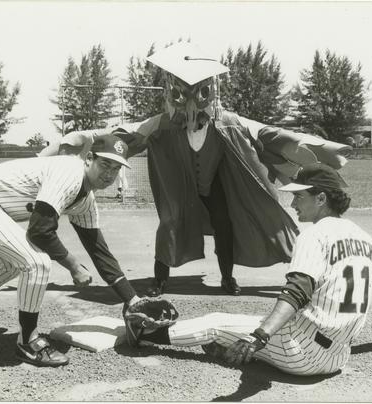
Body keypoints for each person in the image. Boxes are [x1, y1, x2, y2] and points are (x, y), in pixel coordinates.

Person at [39, 42, 351, 297]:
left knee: (225, 224)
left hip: (215, 184)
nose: (191, 105)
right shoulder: (161, 125)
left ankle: (227, 278)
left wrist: (314, 152)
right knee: (170, 223)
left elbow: (268, 135)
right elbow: (125, 137)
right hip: (181, 185)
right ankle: (160, 280)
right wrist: (82, 139)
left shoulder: (227, 122)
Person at [125, 162, 372, 376]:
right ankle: (242, 347)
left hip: (301, 352)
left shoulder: (314, 235)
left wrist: (260, 335)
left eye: (299, 196)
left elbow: (297, 291)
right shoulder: (364, 238)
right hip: (338, 357)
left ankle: (143, 334)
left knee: (217, 321)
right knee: (250, 325)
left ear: (322, 199)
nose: (292, 202)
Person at [0, 135, 146, 367]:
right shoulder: (70, 172)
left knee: (15, 262)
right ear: (89, 158)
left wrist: (132, 299)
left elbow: (99, 251)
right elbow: (39, 231)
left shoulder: (85, 200)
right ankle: (28, 343)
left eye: (116, 168)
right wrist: (74, 266)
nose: (109, 173)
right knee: (37, 262)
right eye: (105, 164)